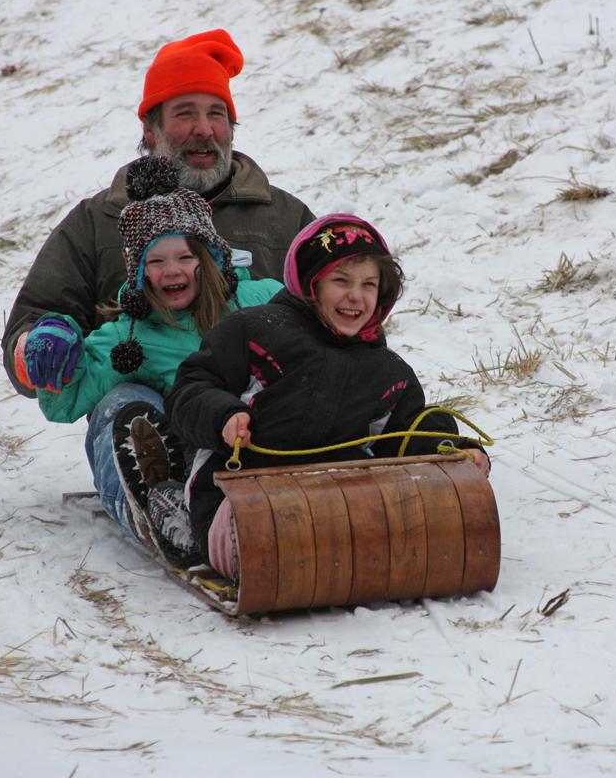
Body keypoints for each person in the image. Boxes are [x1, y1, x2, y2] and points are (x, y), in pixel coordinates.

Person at [119, 214, 490, 576]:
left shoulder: (387, 371)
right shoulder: (254, 330)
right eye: (340, 281)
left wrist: (450, 449)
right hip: (240, 490)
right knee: (259, 552)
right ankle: (173, 507)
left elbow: (408, 430)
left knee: (391, 536)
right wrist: (225, 416)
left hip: (334, 499)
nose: (355, 297)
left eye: (368, 285)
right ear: (312, 285)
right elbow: (192, 389)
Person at [2, 29, 314, 398]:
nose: (204, 129)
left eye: (217, 114)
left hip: (268, 411)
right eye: (185, 114)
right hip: (145, 416)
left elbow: (342, 308)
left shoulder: (283, 217)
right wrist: (41, 345)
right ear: (150, 131)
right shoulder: (98, 221)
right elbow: (32, 320)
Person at [15, 155, 282, 540]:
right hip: (194, 457)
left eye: (185, 257)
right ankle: (153, 507)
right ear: (139, 271)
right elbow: (64, 403)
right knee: (122, 405)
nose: (172, 271)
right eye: (156, 261)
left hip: (262, 440)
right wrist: (57, 347)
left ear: (209, 260)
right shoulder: (130, 338)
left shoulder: (262, 300)